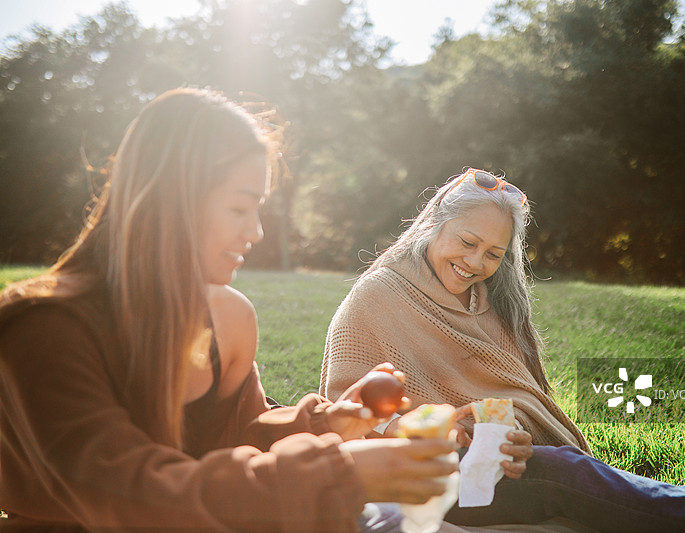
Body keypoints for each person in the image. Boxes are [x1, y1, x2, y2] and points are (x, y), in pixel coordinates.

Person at [0, 88, 459, 532]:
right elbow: (129, 492)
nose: (255, 231)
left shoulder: (224, 320)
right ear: (171, 199)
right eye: (240, 207)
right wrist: (336, 476)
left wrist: (324, 422)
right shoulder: (44, 327)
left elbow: (243, 436)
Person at [320, 167, 685, 533]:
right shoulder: (380, 295)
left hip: (489, 469)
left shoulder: (490, 304)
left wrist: (513, 437)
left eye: (493, 254)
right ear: (432, 225)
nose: (475, 263)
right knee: (560, 474)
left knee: (555, 472)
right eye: (467, 242)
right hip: (414, 477)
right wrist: (443, 425)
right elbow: (350, 413)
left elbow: (517, 400)